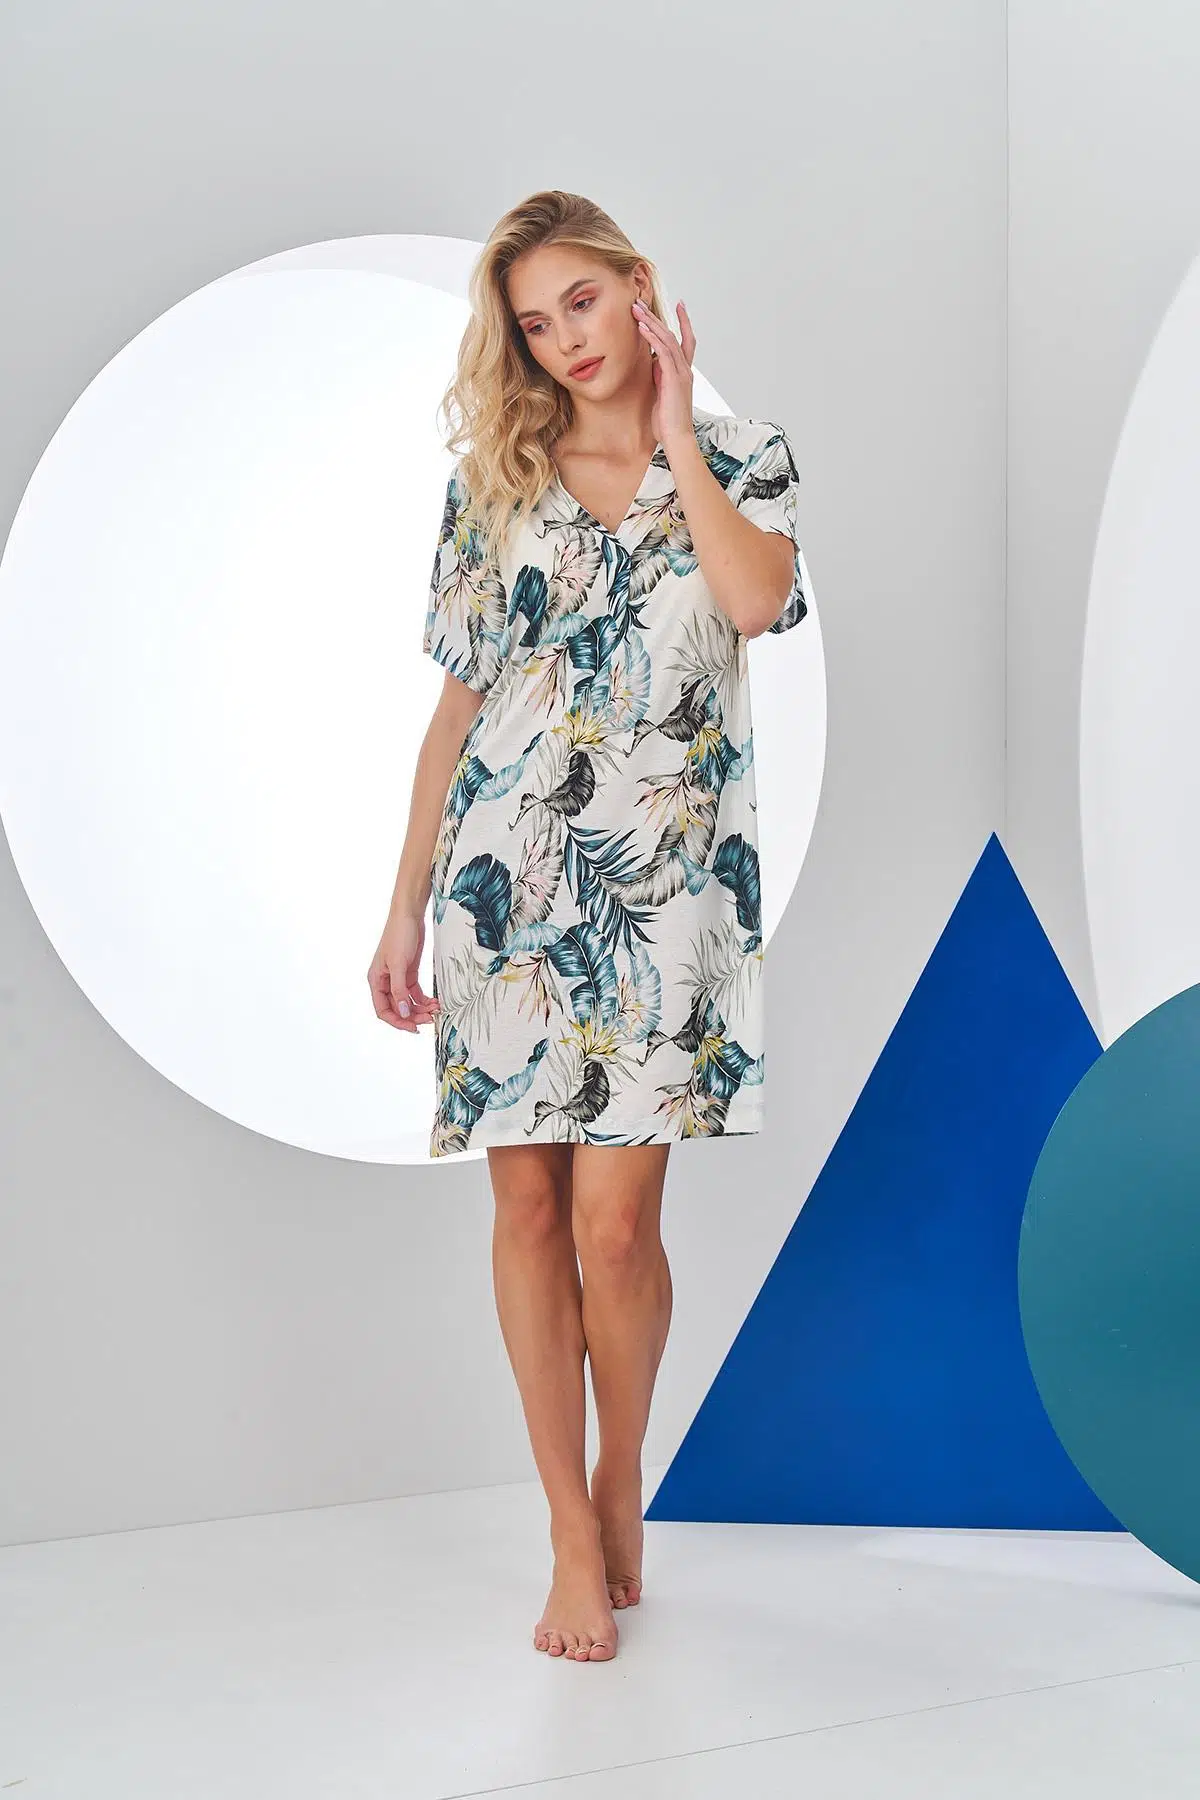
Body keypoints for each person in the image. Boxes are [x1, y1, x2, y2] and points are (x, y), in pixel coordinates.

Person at [368, 190, 807, 1664]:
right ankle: (568, 1526)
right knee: (531, 1215)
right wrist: (404, 900)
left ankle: (627, 1474)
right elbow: (455, 716)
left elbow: (753, 604)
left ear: (636, 287)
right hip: (503, 892)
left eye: (581, 302)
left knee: (620, 1231)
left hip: (668, 899)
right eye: (536, 323)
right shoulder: (494, 484)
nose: (565, 341)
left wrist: (676, 431)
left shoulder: (743, 457)